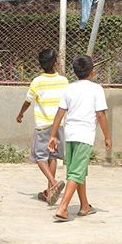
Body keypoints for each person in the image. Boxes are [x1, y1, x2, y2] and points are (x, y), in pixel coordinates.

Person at [48, 55, 112, 222]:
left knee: (77, 170)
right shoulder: (97, 89)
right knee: (76, 172)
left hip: (70, 135)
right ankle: (63, 208)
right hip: (85, 136)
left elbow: (60, 113)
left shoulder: (69, 88)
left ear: (75, 72)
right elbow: (100, 114)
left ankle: (84, 206)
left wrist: (53, 135)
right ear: (92, 72)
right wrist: (107, 136)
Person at [16, 48, 68, 206]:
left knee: (39, 156)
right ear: (56, 63)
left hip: (43, 125)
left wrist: (20, 114)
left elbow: (28, 101)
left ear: (40, 64)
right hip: (58, 125)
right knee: (52, 156)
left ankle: (53, 183)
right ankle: (50, 192)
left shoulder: (37, 81)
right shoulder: (63, 81)